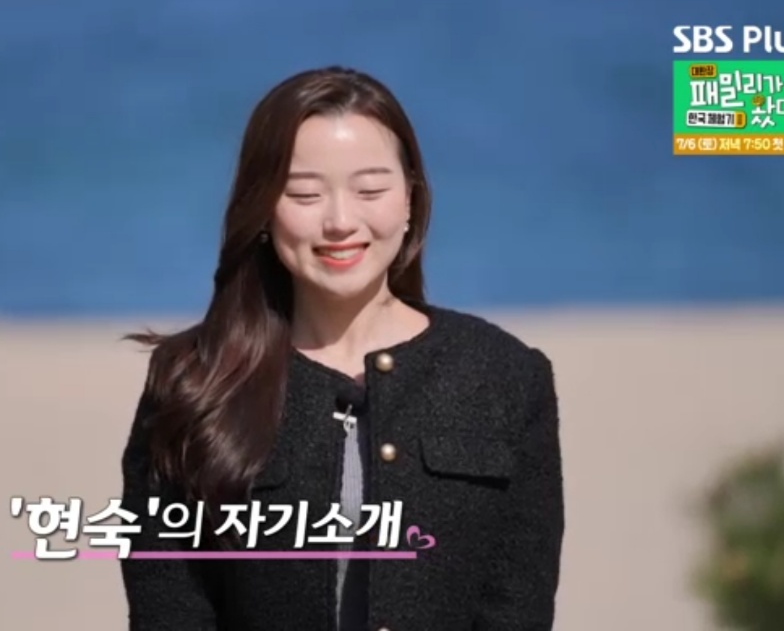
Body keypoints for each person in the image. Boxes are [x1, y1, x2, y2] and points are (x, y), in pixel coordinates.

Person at [120, 66, 564, 631]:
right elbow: (168, 609)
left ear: (410, 198)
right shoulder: (191, 382)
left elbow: (518, 607)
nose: (339, 222)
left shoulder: (505, 377)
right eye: (304, 194)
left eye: (370, 190)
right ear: (263, 209)